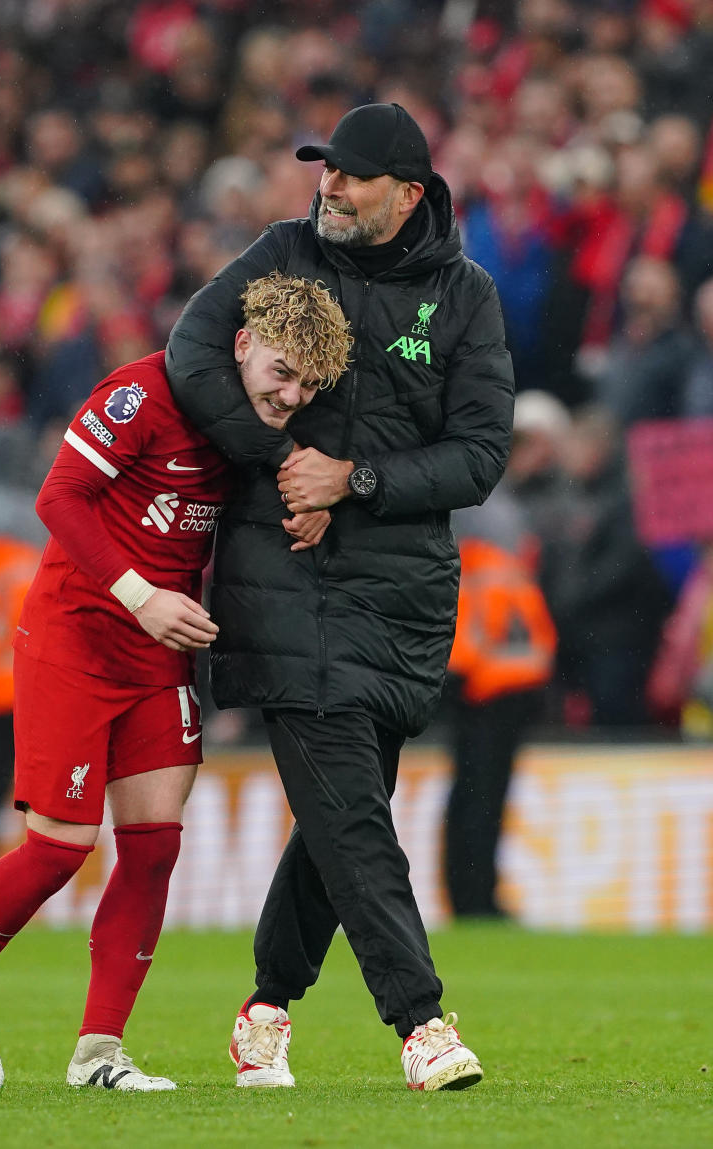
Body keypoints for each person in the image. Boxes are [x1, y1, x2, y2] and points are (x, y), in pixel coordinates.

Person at [0, 272, 353, 1092]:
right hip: (77, 634)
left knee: (155, 847)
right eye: (281, 373)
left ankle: (100, 1051)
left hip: (159, 653)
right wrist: (141, 594)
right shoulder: (141, 393)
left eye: (306, 385)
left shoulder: (250, 431)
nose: (290, 396)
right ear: (241, 345)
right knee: (59, 850)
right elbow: (60, 498)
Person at [166, 102, 514, 1092]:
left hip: (402, 593)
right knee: (354, 816)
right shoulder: (281, 254)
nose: (329, 186)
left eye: (352, 176)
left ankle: (265, 1008)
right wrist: (288, 465)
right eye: (325, 169)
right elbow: (193, 356)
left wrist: (351, 479)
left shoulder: (464, 297)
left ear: (407, 195)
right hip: (284, 576)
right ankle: (422, 1022)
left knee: (340, 817)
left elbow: (481, 455)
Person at [441, 482, 557, 919]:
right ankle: (476, 897)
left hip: (484, 687)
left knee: (474, 799)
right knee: (482, 800)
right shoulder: (501, 561)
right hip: (503, 689)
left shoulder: (471, 559)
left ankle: (472, 896)